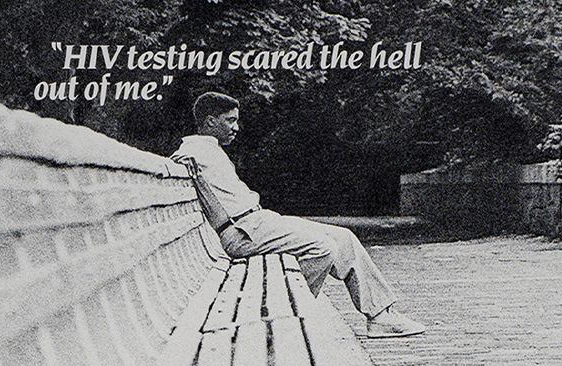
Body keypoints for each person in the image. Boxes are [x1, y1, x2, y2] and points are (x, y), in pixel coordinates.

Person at [171, 91, 425, 338]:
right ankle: (289, 315)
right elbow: (174, 162)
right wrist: (177, 162)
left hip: (259, 223)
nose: (236, 127)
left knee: (344, 238)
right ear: (210, 120)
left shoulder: (209, 149)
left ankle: (380, 315)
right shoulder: (193, 150)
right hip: (242, 231)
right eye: (230, 120)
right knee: (322, 248)